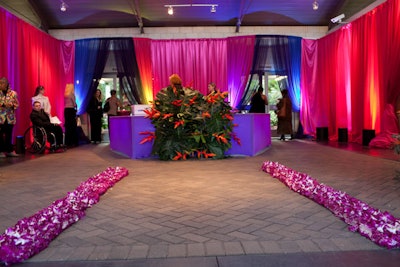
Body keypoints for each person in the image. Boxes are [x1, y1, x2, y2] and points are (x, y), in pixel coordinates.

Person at [0, 77, 19, 157]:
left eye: (2, 83)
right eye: (0, 83)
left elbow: (17, 104)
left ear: (7, 84)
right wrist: (3, 105)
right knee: (0, 135)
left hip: (10, 118)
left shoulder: (13, 93)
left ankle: (9, 151)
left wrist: (12, 105)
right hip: (1, 117)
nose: (1, 85)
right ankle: (1, 151)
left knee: (9, 134)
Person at [64, 83, 78, 147]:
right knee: (73, 126)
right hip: (71, 110)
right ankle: (73, 142)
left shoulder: (65, 95)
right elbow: (74, 104)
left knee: (68, 126)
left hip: (66, 110)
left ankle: (67, 142)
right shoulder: (72, 95)